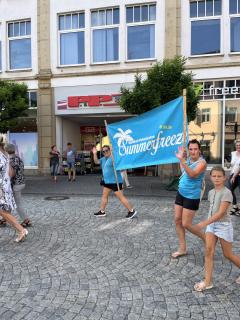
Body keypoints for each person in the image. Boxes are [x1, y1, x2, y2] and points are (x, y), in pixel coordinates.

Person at [194, 166, 240, 291]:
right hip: (211, 225)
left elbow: (220, 213)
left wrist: (204, 223)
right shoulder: (211, 192)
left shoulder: (227, 193)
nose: (216, 178)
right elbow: (212, 210)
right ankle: (207, 282)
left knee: (228, 254)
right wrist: (208, 223)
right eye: (214, 176)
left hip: (223, 226)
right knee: (209, 252)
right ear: (211, 177)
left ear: (224, 178)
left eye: (219, 176)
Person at [172, 139, 207, 258]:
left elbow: (192, 174)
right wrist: (181, 159)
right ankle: (182, 249)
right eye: (191, 149)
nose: (193, 151)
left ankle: (206, 238)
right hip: (181, 192)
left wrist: (182, 161)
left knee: (186, 224)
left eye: (195, 149)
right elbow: (183, 171)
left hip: (192, 196)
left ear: (199, 150)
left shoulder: (202, 163)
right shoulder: (187, 160)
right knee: (177, 220)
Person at [92, 145, 137, 218]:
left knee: (121, 197)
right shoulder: (103, 159)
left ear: (110, 150)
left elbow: (121, 166)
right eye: (103, 151)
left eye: (107, 150)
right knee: (104, 196)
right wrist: (94, 153)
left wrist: (114, 151)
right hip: (107, 182)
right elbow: (96, 161)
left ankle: (131, 211)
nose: (105, 152)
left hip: (115, 182)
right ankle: (102, 211)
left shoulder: (113, 158)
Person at [0, 138, 28, 242]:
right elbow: (11, 173)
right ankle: (22, 229)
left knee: (4, 212)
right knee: (5, 212)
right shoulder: (5, 156)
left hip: (3, 187)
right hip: (7, 186)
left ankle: (22, 230)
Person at [227, 140, 240, 215]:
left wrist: (234, 176)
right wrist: (228, 164)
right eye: (237, 145)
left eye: (239, 145)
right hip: (233, 174)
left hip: (238, 175)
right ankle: (235, 206)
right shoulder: (233, 153)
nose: (238, 146)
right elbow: (232, 164)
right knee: (230, 190)